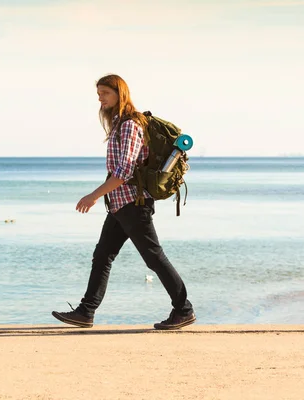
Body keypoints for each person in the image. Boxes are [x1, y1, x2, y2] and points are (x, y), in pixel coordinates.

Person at [52, 74, 195, 330]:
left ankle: (183, 309)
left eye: (105, 93)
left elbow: (124, 171)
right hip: (120, 204)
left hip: (133, 203)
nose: (100, 98)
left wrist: (93, 195)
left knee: (153, 257)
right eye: (98, 94)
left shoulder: (130, 125)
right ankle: (86, 312)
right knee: (103, 255)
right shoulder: (118, 123)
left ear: (120, 94)